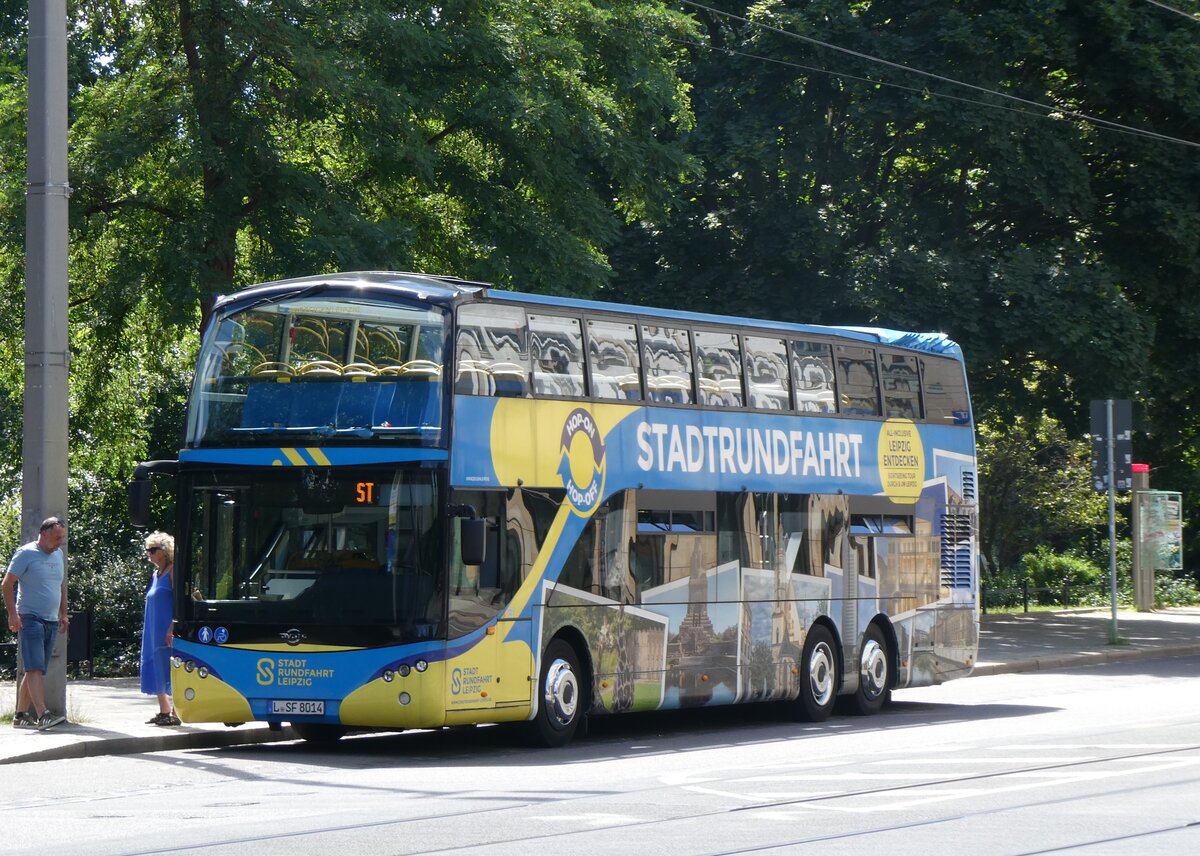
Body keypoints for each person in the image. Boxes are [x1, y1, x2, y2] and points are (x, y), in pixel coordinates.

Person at [2, 516, 69, 730]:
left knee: (35, 669)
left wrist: (64, 614)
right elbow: (7, 584)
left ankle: (20, 715)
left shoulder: (58, 554)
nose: (60, 542)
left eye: (62, 538)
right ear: (44, 534)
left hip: (51, 619)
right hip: (29, 617)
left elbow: (60, 586)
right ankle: (43, 715)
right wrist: (13, 615)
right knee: (35, 668)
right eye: (57, 538)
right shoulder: (26, 553)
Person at [141, 531, 179, 726]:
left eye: (152, 550)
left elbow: (179, 602)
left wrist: (172, 626)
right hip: (152, 628)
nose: (149, 553)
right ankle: (164, 710)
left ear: (164, 551)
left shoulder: (173, 571)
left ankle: (176, 711)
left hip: (166, 628)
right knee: (156, 665)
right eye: (148, 550)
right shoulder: (156, 574)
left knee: (171, 667)